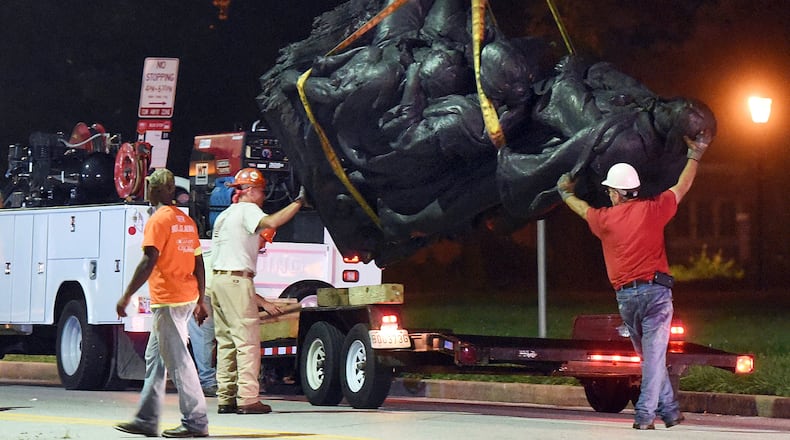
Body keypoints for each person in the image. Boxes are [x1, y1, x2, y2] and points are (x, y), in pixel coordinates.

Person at [556, 133, 711, 430]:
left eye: (610, 192)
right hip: (656, 295)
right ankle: (647, 414)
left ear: (616, 193)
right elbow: (682, 186)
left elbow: (581, 209)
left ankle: (665, 412)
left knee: (651, 357)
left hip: (627, 300)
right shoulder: (654, 209)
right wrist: (695, 155)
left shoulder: (605, 220)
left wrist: (565, 194)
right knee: (653, 358)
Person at [114, 168, 210, 438]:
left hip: (169, 300)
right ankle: (146, 418)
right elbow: (199, 262)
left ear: (155, 190)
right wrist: (200, 300)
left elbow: (149, 260)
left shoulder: (158, 220)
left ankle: (196, 422)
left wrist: (127, 295)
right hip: (186, 296)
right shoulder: (185, 220)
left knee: (179, 361)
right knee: (155, 359)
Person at [210, 167, 306, 415]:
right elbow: (272, 221)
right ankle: (248, 399)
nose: (264, 196)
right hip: (236, 281)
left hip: (218, 282)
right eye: (262, 191)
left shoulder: (225, 215)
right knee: (248, 343)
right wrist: (299, 202)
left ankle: (226, 397)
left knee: (226, 344)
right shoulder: (248, 210)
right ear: (250, 191)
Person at [187, 248, 217, 398]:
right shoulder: (235, 253)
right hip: (202, 294)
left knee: (204, 338)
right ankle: (207, 382)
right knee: (204, 337)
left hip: (201, 293)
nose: (262, 247)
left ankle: (207, 380)